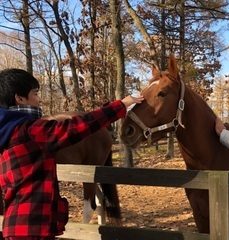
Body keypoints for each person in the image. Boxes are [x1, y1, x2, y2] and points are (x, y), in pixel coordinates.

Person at [0, 68, 144, 240]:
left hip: (16, 224)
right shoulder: (29, 131)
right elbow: (76, 127)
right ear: (20, 98)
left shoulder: (7, 134)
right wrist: (121, 105)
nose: (40, 99)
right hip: (32, 227)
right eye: (35, 93)